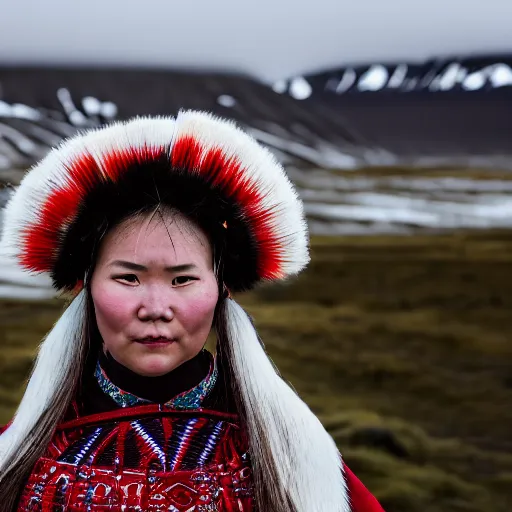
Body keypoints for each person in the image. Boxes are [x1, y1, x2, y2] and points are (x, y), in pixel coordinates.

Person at [0, 111, 385, 511]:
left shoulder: (298, 462)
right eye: (128, 278)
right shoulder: (14, 459)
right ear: (88, 284)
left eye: (182, 280)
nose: (155, 309)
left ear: (222, 288)